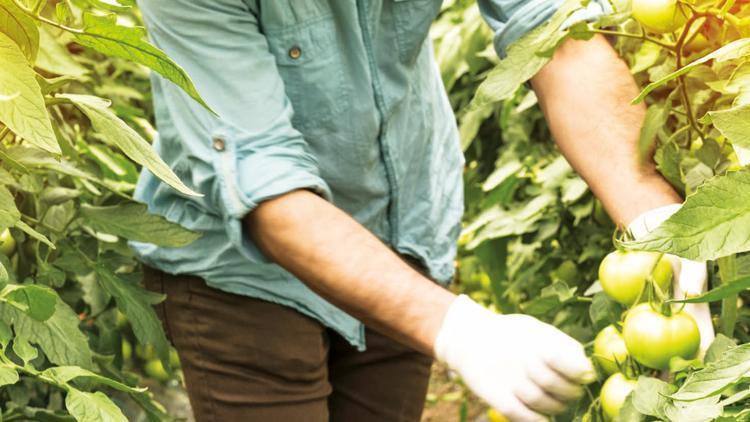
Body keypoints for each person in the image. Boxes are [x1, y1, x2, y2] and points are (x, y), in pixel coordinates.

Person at [131, 1, 714, 421]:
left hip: (405, 229)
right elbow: (267, 188)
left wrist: (649, 211)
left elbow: (551, 28)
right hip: (240, 276)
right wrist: (457, 328)